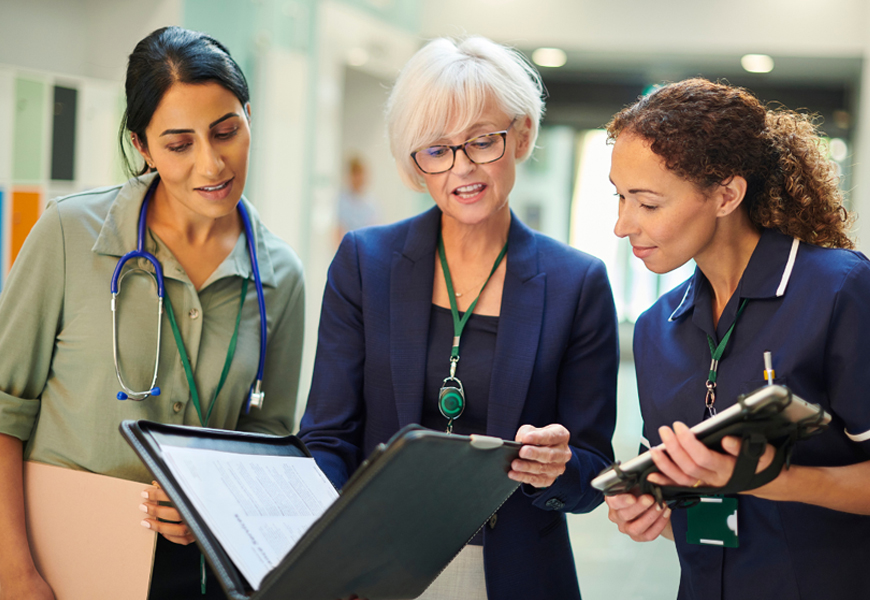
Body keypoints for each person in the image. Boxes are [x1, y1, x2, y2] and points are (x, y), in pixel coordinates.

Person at [298, 36, 618, 600]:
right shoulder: (364, 264)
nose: (462, 168)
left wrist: (556, 468)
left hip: (515, 571)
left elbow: (591, 471)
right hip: (377, 568)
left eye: (480, 142)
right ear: (414, 162)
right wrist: (331, 547)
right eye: (437, 149)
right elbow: (327, 436)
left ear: (519, 134)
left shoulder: (577, 282)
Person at [0, 27, 305, 600]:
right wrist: (14, 574)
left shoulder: (280, 275)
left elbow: (270, 443)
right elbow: (2, 408)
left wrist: (213, 508)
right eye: (179, 143)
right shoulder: (69, 235)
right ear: (142, 147)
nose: (212, 164)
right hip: (61, 565)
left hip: (199, 572)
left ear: (247, 117)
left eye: (226, 131)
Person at [605, 78, 870, 600]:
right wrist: (651, 511)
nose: (623, 225)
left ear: (726, 195)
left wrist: (779, 480)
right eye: (620, 198)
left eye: (647, 204)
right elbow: (695, 510)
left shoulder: (840, 293)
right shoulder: (658, 328)